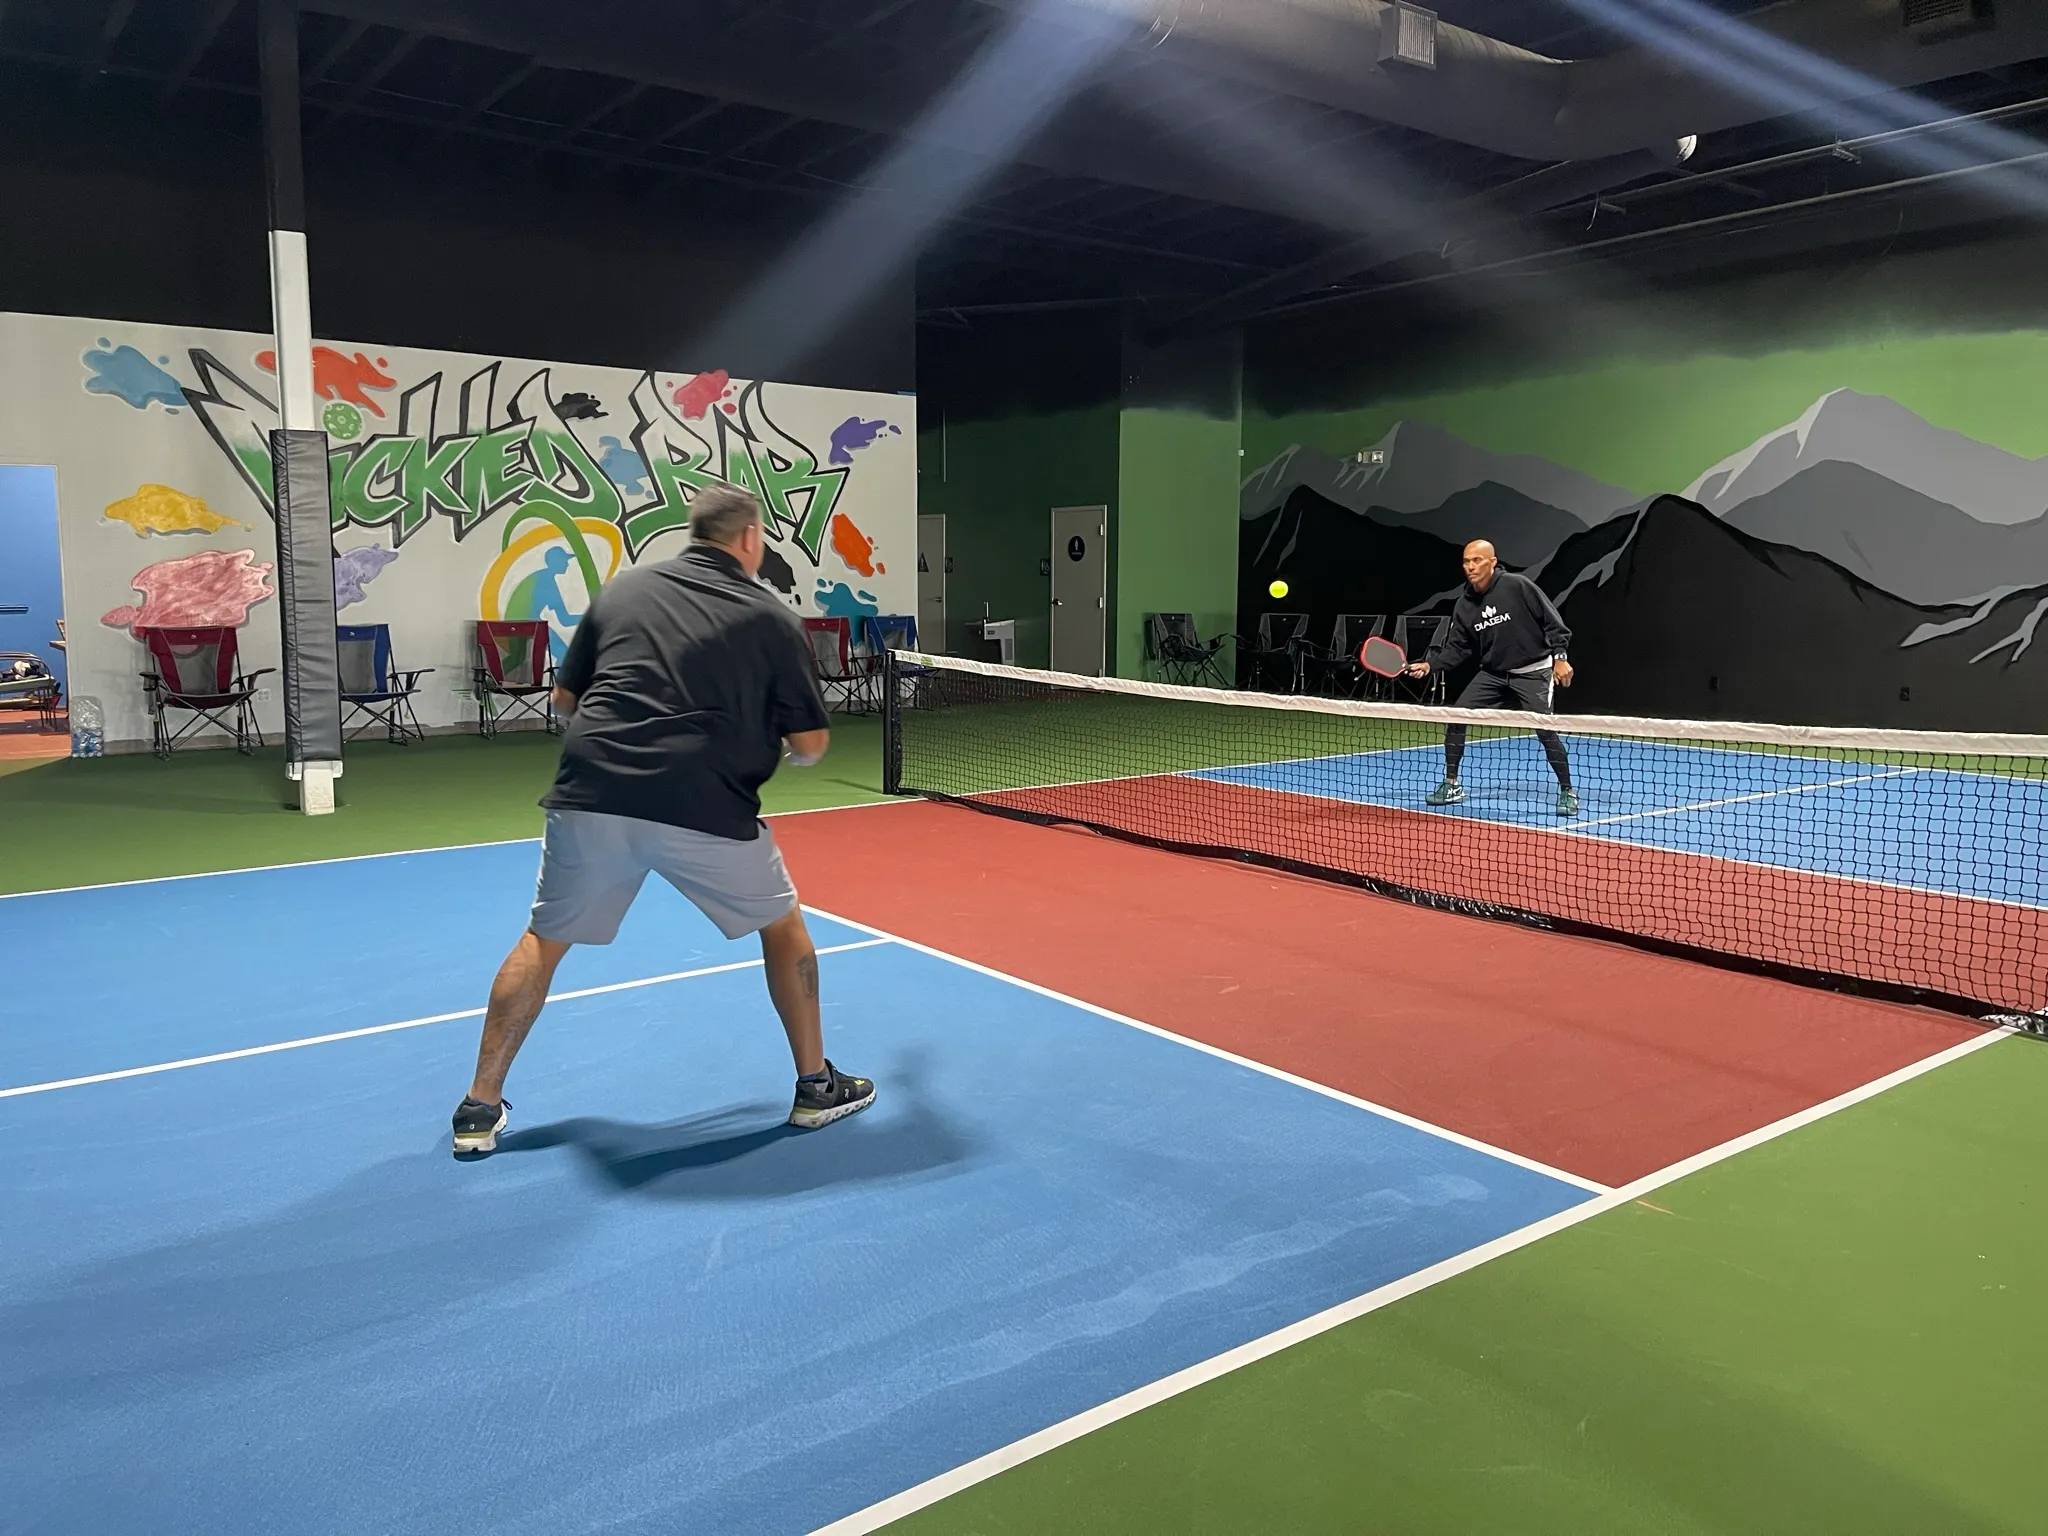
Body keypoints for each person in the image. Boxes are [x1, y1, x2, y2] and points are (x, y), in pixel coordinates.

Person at [451, 483, 874, 1157]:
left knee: (542, 941)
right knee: (784, 927)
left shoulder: (622, 592)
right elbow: (812, 744)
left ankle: (477, 1109)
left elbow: (565, 698)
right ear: (748, 539)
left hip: (590, 791)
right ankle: (815, 1087)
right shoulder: (771, 617)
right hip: (704, 802)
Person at [1401, 539, 1580, 818]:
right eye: (1466, 562)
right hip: (1494, 674)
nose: (1471, 567)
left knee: (1545, 729)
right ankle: (1451, 785)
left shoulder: (1517, 586)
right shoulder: (1464, 605)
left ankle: (1567, 791)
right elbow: (1458, 649)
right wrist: (1429, 665)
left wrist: (1560, 658)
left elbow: (1554, 624)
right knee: (1458, 716)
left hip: (1532, 671)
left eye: (1477, 560)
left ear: (1492, 562)